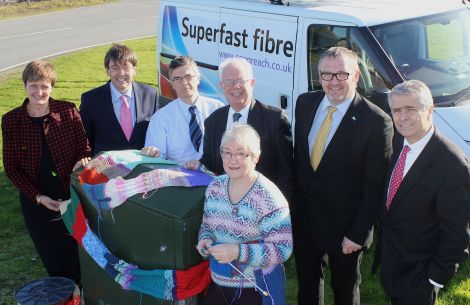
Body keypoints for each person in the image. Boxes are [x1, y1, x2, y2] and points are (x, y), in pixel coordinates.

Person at [293, 47, 393, 305]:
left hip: (345, 228)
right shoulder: (305, 103)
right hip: (306, 221)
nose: (333, 82)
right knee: (307, 288)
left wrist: (358, 234)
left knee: (345, 290)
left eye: (341, 74)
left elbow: (374, 187)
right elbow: (301, 162)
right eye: (326, 75)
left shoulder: (377, 122)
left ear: (356, 76)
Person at [372, 80, 470, 305]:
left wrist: (434, 280)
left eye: (411, 109)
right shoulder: (398, 142)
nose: (402, 116)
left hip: (419, 276)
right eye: (397, 110)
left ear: (429, 110)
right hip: (392, 263)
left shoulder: (452, 165)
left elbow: (456, 238)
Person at [2, 60, 91, 283]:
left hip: (71, 196)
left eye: (44, 86)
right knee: (52, 256)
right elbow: (11, 168)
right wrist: (38, 197)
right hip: (37, 202)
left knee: (78, 250)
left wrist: (82, 160)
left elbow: (84, 148)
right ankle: (63, 292)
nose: (39, 92)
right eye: (33, 85)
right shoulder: (12, 121)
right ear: (25, 86)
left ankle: (83, 290)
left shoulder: (68, 111)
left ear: (52, 87)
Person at [197, 124, 293, 305]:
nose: (233, 160)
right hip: (219, 281)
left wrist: (237, 251)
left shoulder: (268, 197)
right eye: (227, 152)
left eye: (241, 153)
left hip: (256, 286)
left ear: (255, 157)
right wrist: (205, 240)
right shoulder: (215, 187)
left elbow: (282, 249)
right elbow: (206, 226)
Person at [196, 57, 294, 201]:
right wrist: (197, 165)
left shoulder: (275, 119)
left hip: (263, 205)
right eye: (229, 82)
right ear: (222, 86)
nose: (235, 86)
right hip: (223, 203)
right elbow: (210, 162)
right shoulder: (213, 121)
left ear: (252, 83)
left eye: (241, 81)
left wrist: (281, 209)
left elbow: (287, 173)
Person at [142, 56, 223, 164]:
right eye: (177, 79)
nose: (184, 82)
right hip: (179, 176)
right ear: (172, 83)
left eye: (188, 76)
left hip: (216, 174)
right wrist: (153, 153)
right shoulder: (161, 118)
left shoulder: (217, 109)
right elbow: (156, 158)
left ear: (198, 79)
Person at [80, 43, 158, 155]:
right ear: (107, 70)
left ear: (134, 70)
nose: (121, 73)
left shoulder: (150, 94)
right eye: (115, 67)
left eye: (126, 67)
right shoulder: (91, 100)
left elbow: (157, 132)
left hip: (142, 165)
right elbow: (85, 139)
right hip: (106, 168)